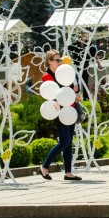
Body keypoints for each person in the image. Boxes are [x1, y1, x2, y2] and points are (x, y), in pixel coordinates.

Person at [40, 50, 83, 181]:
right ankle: (44, 167)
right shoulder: (47, 76)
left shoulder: (64, 73)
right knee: (64, 141)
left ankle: (68, 172)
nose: (60, 62)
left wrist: (76, 94)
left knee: (69, 142)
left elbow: (71, 89)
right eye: (57, 60)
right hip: (58, 111)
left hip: (70, 109)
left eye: (60, 60)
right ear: (49, 62)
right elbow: (52, 93)